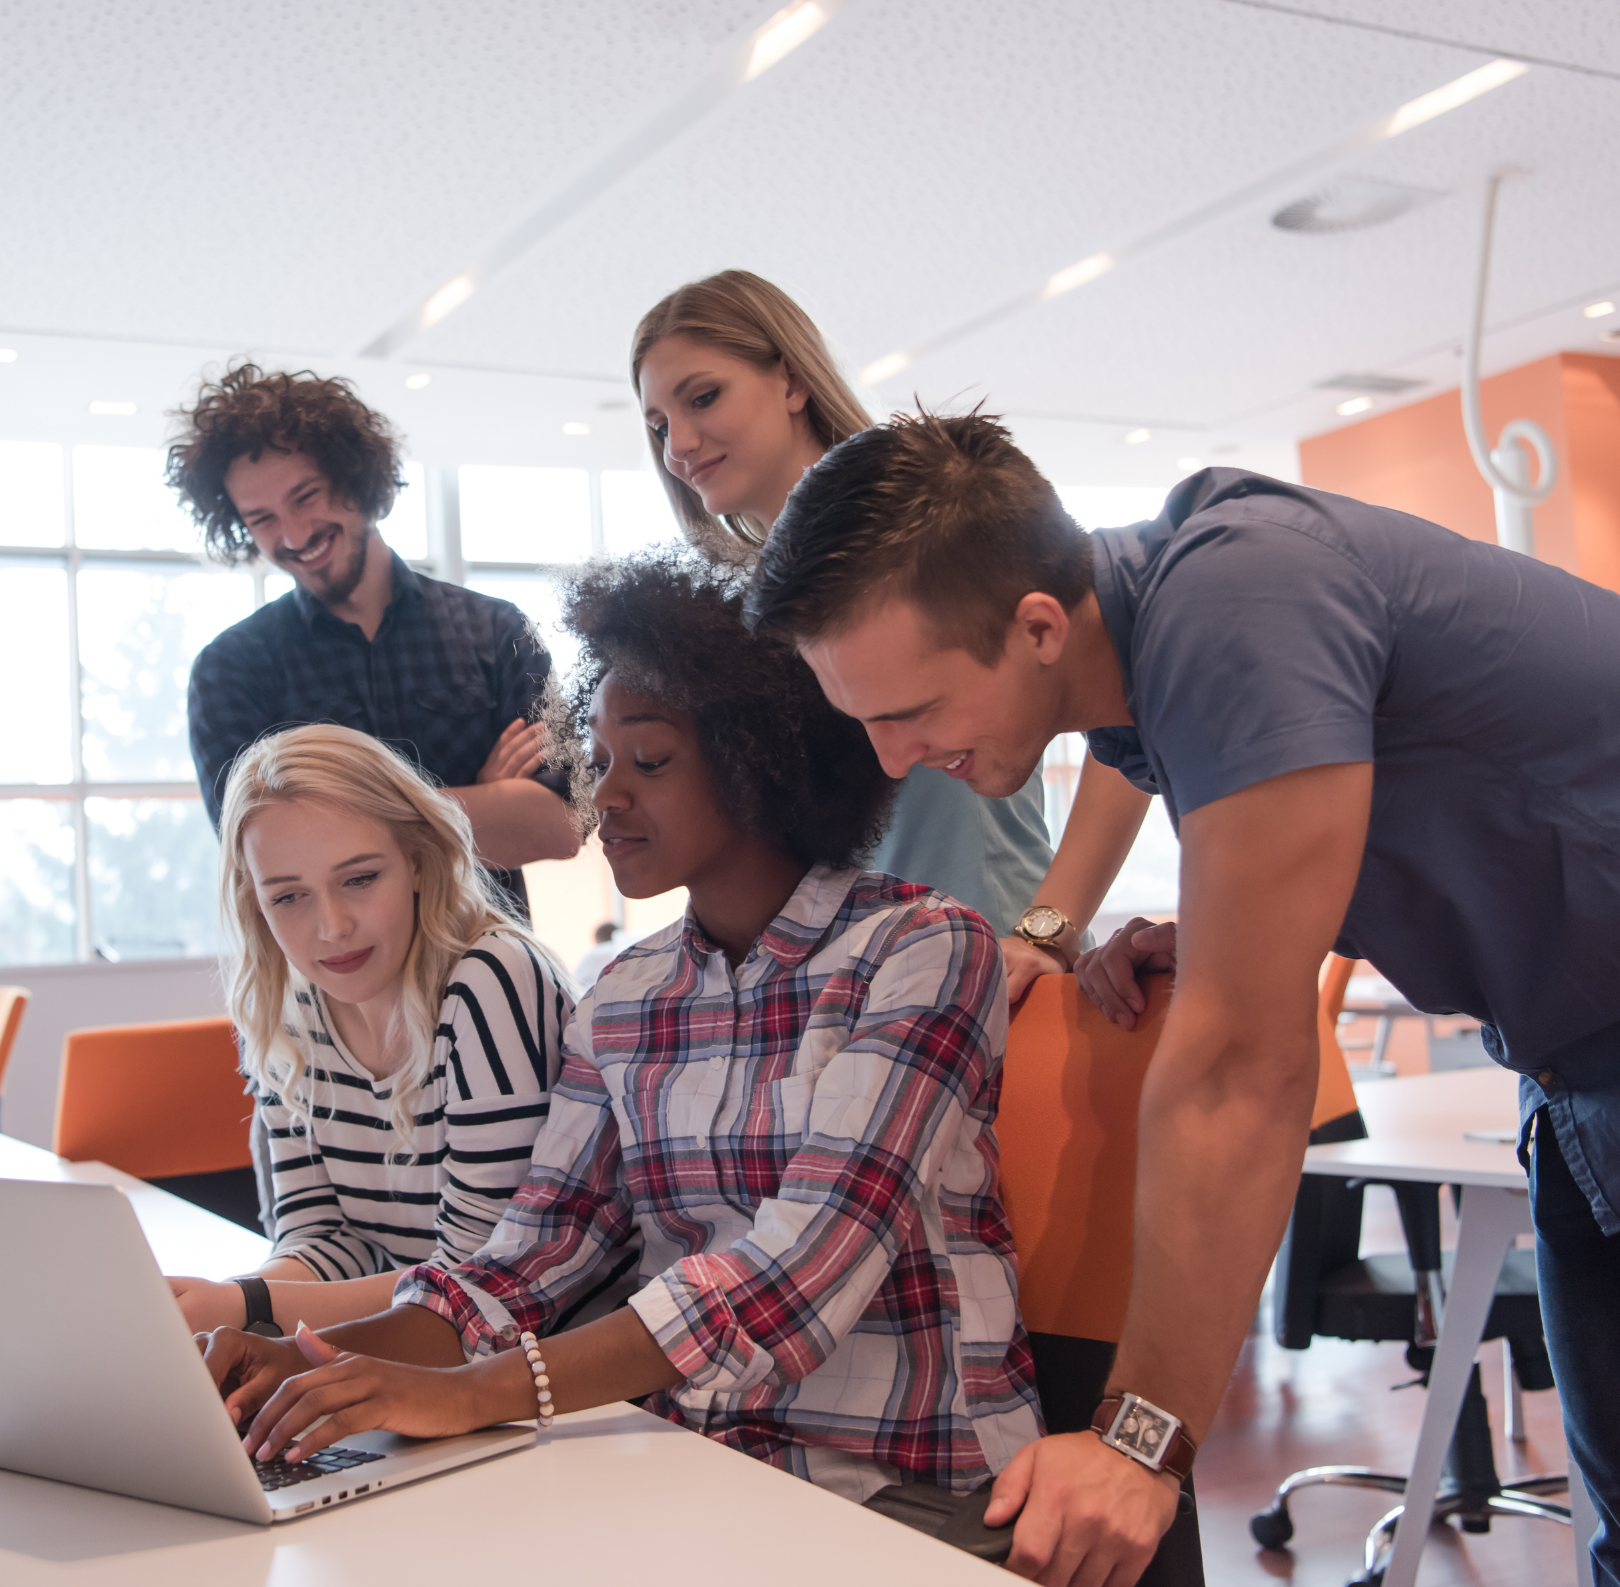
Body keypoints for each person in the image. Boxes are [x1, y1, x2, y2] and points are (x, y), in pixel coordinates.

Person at [749, 412, 1620, 1586]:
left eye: (908, 713)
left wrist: (1136, 1443)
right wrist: (1210, 934)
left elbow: (1239, 1072)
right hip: (1598, 1077)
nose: (894, 759)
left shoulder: (1241, 596)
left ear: (1038, 627)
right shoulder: (1146, 670)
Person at [198, 553, 1044, 1552]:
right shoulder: (625, 994)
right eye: (596, 763)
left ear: (759, 755)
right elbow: (527, 1260)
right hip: (692, 1473)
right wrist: (302, 1359)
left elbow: (793, 1277)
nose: (605, 799)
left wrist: (470, 1395)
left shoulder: (920, 949)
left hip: (907, 1495)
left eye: (649, 763)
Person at [630, 271, 1062, 950]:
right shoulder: (738, 619)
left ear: (793, 381)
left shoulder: (931, 515)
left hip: (1000, 954)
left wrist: (1048, 930)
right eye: (657, 424)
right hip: (859, 989)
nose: (677, 444)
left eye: (703, 397)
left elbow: (1119, 693)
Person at [165, 723, 588, 1339]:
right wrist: (234, 1301)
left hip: (549, 1378)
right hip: (413, 1351)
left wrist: (249, 1309)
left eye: (360, 879)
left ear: (417, 862)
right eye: (289, 897)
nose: (332, 927)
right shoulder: (287, 1007)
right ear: (255, 901)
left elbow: (480, 1278)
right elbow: (325, 1237)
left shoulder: (492, 979)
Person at [170, 364, 581, 916]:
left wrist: (346, 824)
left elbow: (559, 827)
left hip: (495, 975)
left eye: (306, 495)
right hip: (332, 991)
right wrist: (470, 805)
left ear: (356, 479)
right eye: (262, 518)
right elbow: (263, 860)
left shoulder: (498, 631)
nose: (293, 535)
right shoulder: (231, 670)